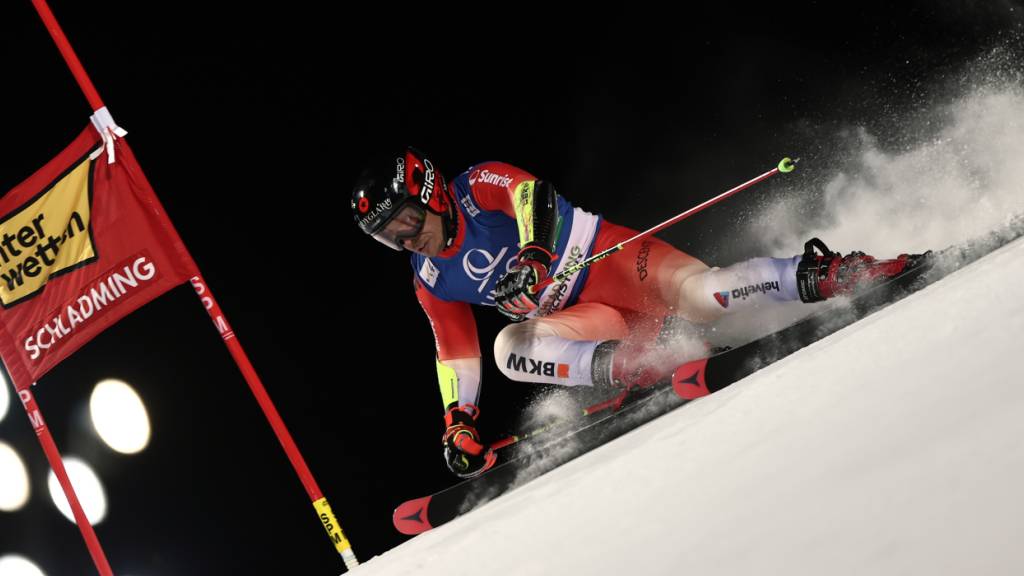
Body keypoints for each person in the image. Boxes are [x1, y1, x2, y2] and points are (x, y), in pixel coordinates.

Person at [351, 147, 921, 478]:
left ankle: (829, 273)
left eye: (404, 222)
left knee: (703, 298)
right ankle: (640, 365)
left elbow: (534, 198)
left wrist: (533, 254)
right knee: (509, 349)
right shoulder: (429, 279)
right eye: (388, 239)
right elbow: (455, 353)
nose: (406, 241)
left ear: (430, 193)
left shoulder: (477, 185)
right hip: (592, 319)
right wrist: (460, 420)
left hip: (620, 263)